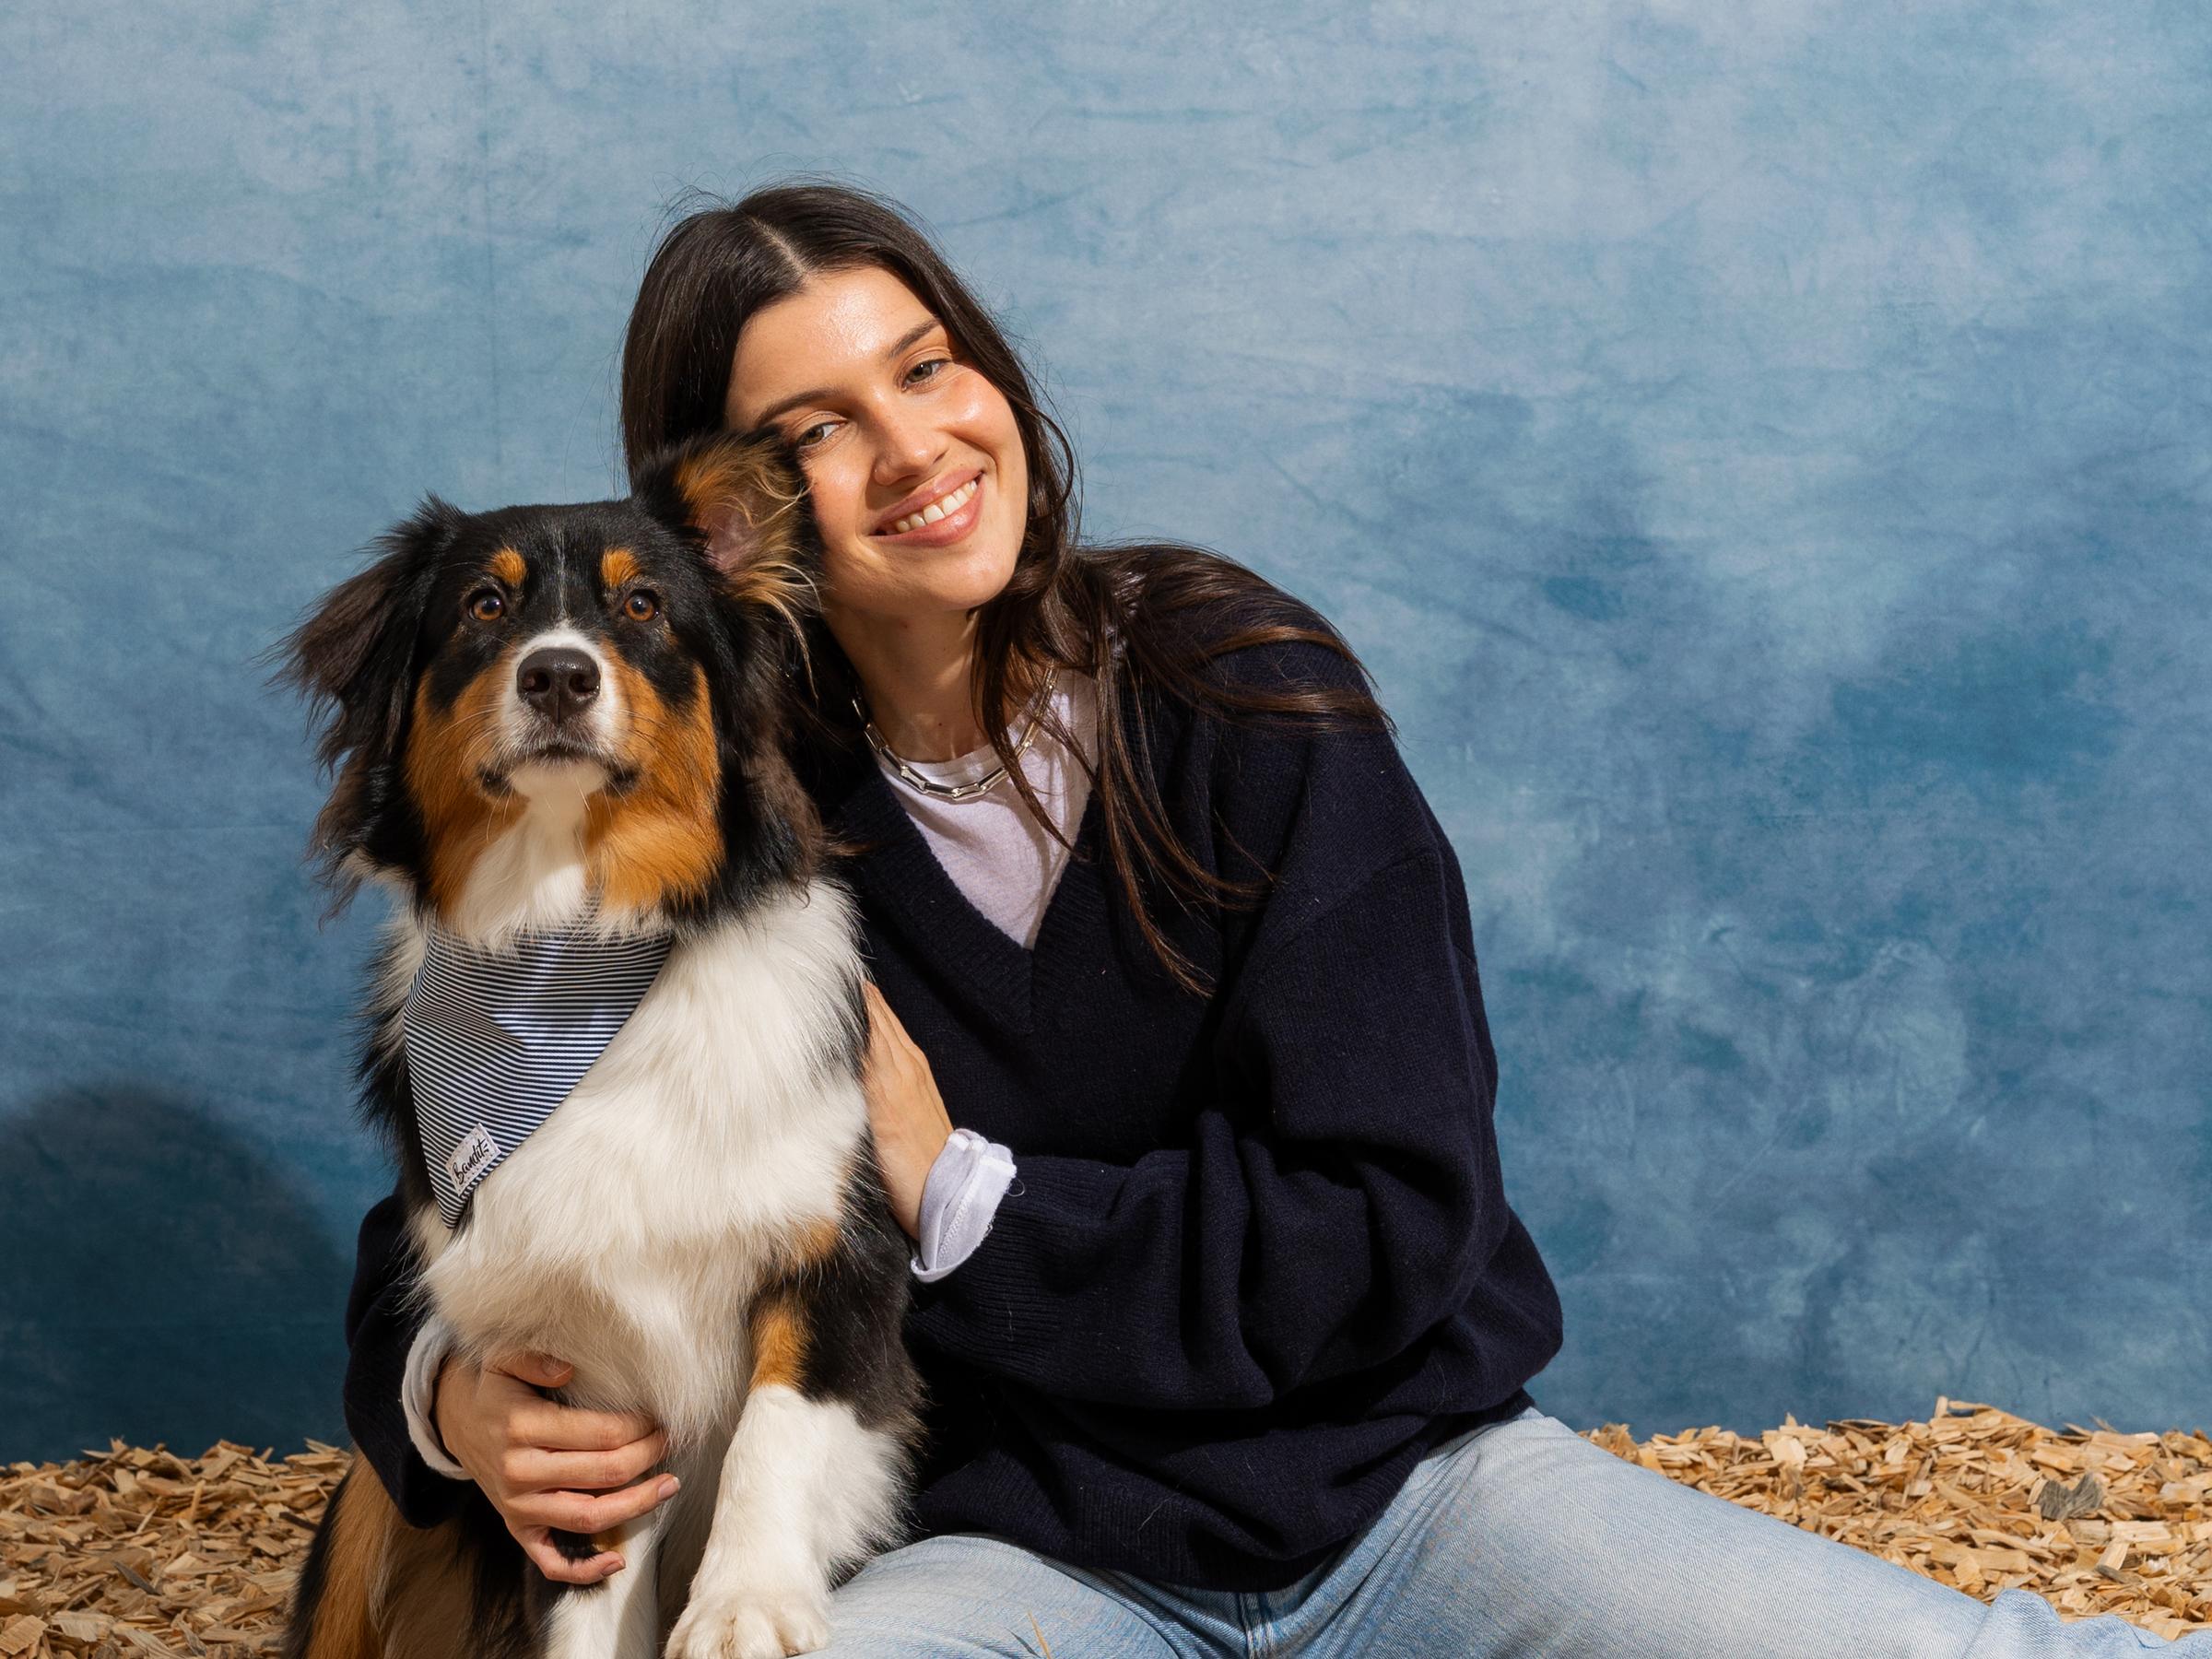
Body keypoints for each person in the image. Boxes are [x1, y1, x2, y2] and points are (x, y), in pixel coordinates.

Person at [336, 180, 2206, 1655]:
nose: (915, 449)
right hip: (1012, 1560)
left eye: (930, 366)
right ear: (728, 530)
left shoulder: (1241, 690)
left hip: (1407, 1491)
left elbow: (1393, 1219)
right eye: (818, 428)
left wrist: (961, 1187)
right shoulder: (715, 828)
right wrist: (446, 1395)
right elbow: (493, 1188)